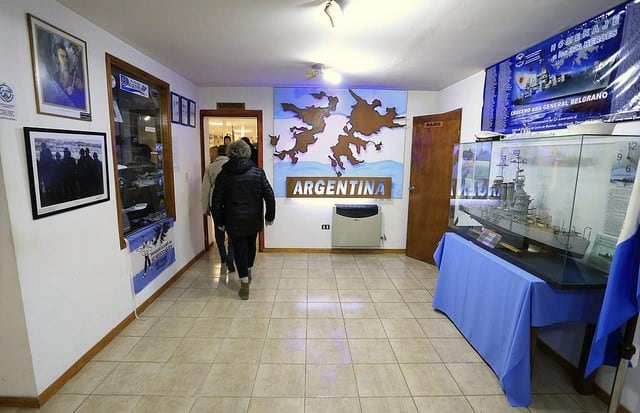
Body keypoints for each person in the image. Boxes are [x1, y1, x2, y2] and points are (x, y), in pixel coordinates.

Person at [211, 140, 275, 300]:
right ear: (247, 153)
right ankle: (249, 271)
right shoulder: (258, 172)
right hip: (253, 219)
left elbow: (216, 201)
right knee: (250, 246)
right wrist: (269, 216)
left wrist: (219, 222)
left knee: (239, 249)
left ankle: (244, 285)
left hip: (233, 220)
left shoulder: (223, 175)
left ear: (230, 154)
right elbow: (269, 196)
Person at [201, 145, 235, 272]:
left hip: (215, 203)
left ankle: (223, 256)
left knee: (218, 230)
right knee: (232, 231)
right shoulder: (233, 166)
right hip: (231, 202)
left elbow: (205, 190)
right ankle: (231, 256)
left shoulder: (210, 167)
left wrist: (205, 208)